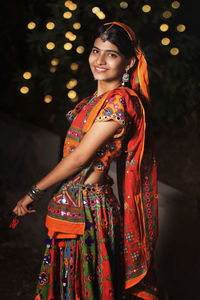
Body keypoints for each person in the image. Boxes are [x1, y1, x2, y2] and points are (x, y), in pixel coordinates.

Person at [13, 22, 158, 300]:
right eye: (96, 51)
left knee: (82, 289)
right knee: (67, 286)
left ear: (128, 63)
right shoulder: (94, 100)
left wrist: (34, 191)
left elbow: (80, 158)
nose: (99, 60)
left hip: (90, 212)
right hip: (73, 205)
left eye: (111, 54)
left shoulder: (119, 104)